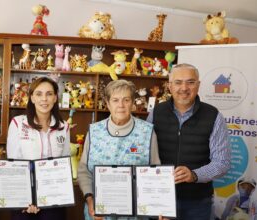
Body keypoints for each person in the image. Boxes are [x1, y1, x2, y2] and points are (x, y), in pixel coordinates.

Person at [146, 63, 231, 220]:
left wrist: (194, 175)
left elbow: (222, 162)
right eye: (178, 82)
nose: (184, 88)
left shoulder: (213, 116)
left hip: (197, 203)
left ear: (198, 85)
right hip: (160, 199)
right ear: (169, 86)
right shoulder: (156, 113)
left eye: (190, 82)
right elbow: (145, 155)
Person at [78, 79, 161, 220]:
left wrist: (157, 204)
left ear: (133, 103)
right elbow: (84, 169)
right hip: (99, 214)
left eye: (126, 100)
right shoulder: (94, 131)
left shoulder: (146, 132)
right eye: (115, 100)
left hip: (135, 214)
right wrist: (90, 200)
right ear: (108, 103)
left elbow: (155, 172)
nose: (121, 105)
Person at [7, 76, 70, 220]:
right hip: (24, 201)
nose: (44, 99)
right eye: (39, 94)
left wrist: (51, 195)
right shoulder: (18, 123)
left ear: (55, 98)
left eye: (49, 94)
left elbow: (63, 166)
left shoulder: (63, 126)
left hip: (54, 200)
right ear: (32, 98)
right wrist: (27, 197)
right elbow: (14, 166)